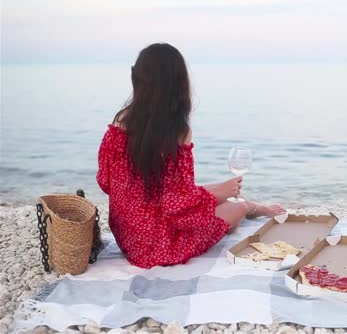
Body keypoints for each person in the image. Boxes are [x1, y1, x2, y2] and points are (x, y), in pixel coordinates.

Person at [97, 43, 285, 268]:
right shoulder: (176, 132)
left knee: (214, 195)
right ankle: (250, 208)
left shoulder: (119, 124)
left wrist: (210, 193)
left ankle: (241, 203)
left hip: (128, 238)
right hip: (161, 247)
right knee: (237, 206)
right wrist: (215, 194)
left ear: (137, 79)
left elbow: (106, 182)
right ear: (179, 85)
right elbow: (179, 211)